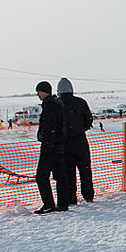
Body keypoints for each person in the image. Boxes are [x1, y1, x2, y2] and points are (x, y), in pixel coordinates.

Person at [33, 81, 69, 214]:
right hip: (59, 145)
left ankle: (48, 204)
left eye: (39, 92)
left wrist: (46, 142)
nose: (38, 94)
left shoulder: (49, 106)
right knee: (60, 175)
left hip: (50, 147)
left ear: (44, 91)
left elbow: (49, 128)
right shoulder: (58, 104)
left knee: (41, 176)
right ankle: (63, 203)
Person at [57, 77, 95, 204]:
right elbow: (89, 119)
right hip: (81, 141)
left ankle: (71, 198)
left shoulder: (58, 104)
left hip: (65, 143)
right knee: (85, 170)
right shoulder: (81, 102)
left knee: (69, 172)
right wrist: (81, 128)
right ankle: (88, 195)